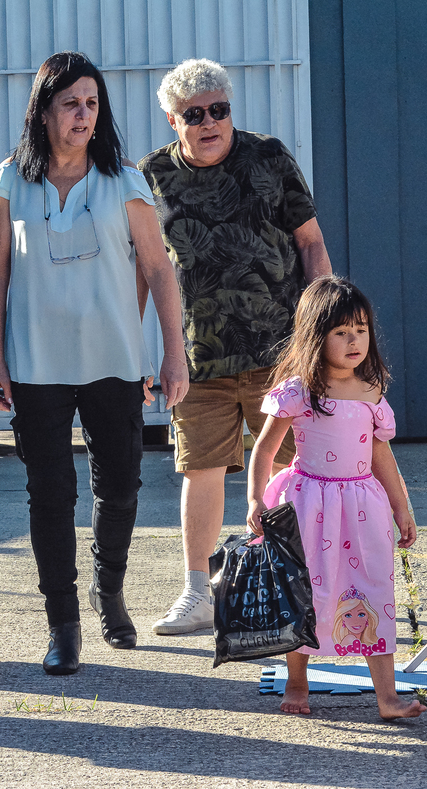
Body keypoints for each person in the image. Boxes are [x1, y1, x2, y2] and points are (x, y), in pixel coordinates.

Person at [0, 52, 189, 675]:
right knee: (50, 495)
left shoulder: (124, 180)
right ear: (43, 112)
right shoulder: (10, 180)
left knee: (120, 486)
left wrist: (171, 353)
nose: (83, 114)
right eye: (70, 103)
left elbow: (158, 269)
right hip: (35, 363)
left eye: (92, 103)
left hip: (114, 360)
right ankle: (62, 624)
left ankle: (110, 589)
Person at [138, 58, 332, 636]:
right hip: (197, 359)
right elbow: (145, 270)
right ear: (173, 120)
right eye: (194, 115)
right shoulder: (151, 177)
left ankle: (310, 588)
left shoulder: (269, 157)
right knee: (200, 470)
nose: (209, 122)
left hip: (282, 355)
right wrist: (140, 352)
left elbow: (312, 245)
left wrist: (321, 336)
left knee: (300, 470)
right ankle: (199, 592)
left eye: (218, 109)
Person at [247, 276, 424, 720]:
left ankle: (388, 697)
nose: (354, 340)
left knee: (374, 590)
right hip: (309, 507)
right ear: (315, 335)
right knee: (306, 593)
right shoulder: (298, 390)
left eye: (361, 330)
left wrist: (402, 506)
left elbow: (380, 454)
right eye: (341, 332)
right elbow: (265, 449)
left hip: (362, 509)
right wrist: (255, 500)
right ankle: (297, 681)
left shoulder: (371, 390)